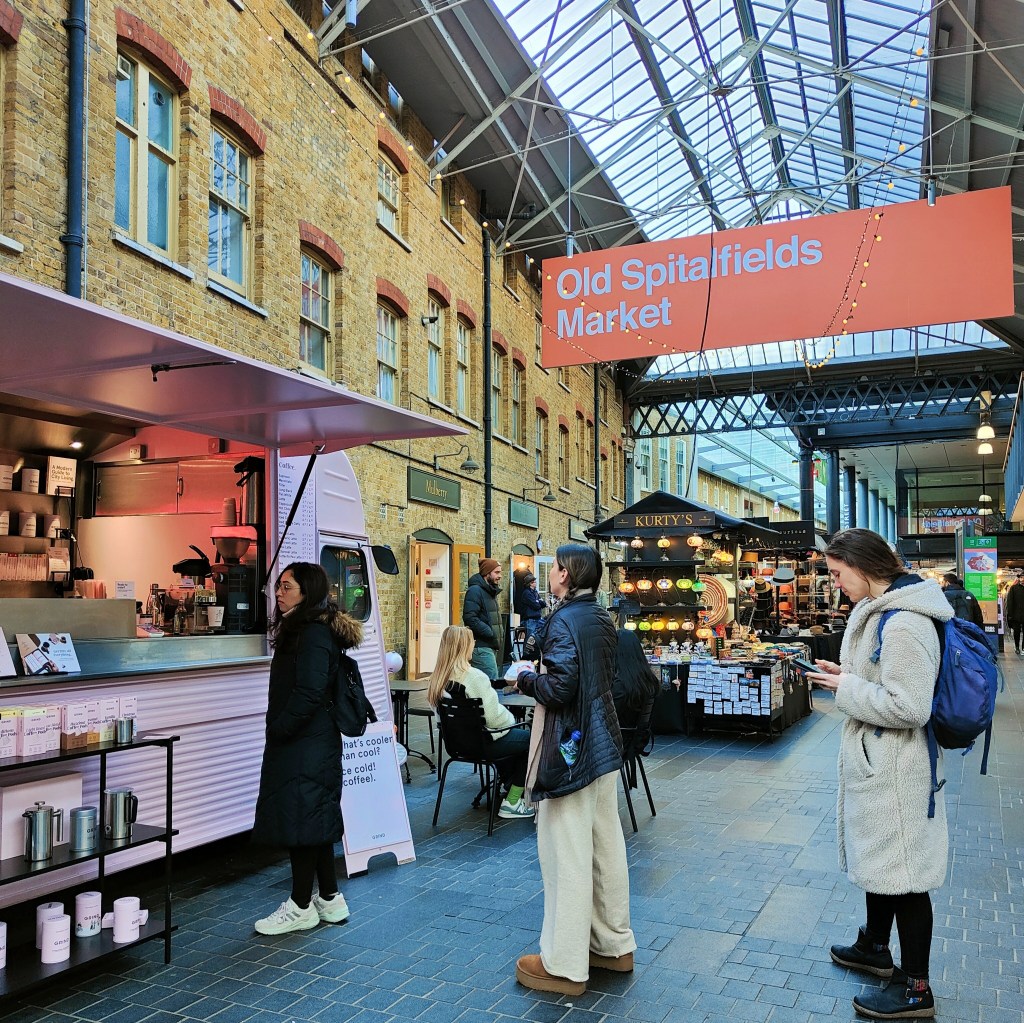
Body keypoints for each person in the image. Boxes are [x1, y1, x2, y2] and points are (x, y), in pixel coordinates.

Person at [807, 529, 951, 1020]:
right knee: (884, 864)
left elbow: (910, 705)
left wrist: (846, 687)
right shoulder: (884, 611)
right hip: (883, 763)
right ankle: (874, 948)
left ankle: (917, 988)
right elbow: (881, 679)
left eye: (836, 573)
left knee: (906, 876)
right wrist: (843, 675)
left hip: (898, 770)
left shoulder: (906, 621)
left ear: (861, 565)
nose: (834, 583)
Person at [513, 543, 636, 996]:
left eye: (555, 570)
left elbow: (559, 687)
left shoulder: (566, 619)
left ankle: (564, 963)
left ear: (563, 574)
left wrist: (523, 678)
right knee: (606, 850)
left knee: (565, 854)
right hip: (602, 745)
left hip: (570, 749)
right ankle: (613, 945)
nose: (550, 576)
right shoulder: (602, 616)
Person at [251, 562, 360, 935]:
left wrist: (280, 728)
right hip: (311, 740)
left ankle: (299, 905)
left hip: (305, 741)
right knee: (314, 817)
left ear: (307, 591)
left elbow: (310, 691)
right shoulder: (307, 628)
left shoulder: (311, 633)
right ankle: (329, 898)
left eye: (287, 587)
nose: (278, 593)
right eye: (279, 586)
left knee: (302, 819)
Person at [426, 625, 533, 820]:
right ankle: (513, 800)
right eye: (472, 641)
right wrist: (510, 716)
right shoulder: (474, 677)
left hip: (457, 746)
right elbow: (494, 719)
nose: (474, 644)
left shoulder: (437, 679)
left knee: (512, 739)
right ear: (464, 646)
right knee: (533, 740)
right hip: (485, 745)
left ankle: (507, 784)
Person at [463, 557, 504, 678]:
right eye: (496, 572)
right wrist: (489, 632)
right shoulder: (475, 591)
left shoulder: (490, 591)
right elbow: (469, 617)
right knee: (491, 683)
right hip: (481, 647)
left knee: (487, 684)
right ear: (487, 573)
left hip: (491, 645)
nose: (500, 575)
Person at [611, 628, 659, 730]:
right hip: (637, 738)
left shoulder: (620, 685)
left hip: (619, 737)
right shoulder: (649, 679)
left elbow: (607, 715)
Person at [514, 572, 546, 644]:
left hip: (537, 619)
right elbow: (536, 605)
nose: (536, 583)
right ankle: (527, 655)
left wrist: (538, 601)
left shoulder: (535, 592)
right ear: (531, 583)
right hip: (530, 620)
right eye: (534, 582)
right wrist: (538, 602)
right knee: (529, 640)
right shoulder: (527, 593)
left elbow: (543, 604)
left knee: (536, 641)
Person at [1002, 572, 1024, 654]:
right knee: (1016, 632)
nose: (1023, 579)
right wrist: (1010, 614)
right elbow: (1010, 602)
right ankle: (1017, 646)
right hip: (1016, 614)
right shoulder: (1014, 588)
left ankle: (1023, 647)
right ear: (1019, 578)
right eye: (1021, 577)